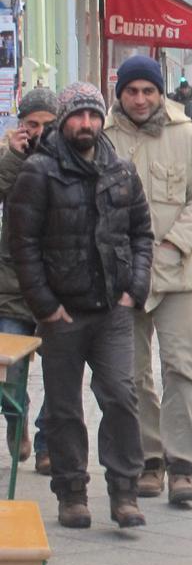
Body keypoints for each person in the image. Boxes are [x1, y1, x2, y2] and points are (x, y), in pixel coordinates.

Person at [9, 82, 154, 529]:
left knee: (120, 398)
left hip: (111, 308)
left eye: (93, 115)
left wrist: (134, 288)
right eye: (78, 116)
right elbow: (22, 244)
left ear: (101, 119)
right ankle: (72, 493)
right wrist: (46, 306)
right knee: (64, 407)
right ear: (65, 120)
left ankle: (124, 492)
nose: (86, 124)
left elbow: (141, 234)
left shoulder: (121, 170)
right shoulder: (40, 171)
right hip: (62, 314)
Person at [105, 55, 192, 505]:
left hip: (176, 276)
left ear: (160, 93)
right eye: (132, 91)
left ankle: (183, 467)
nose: (139, 99)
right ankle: (148, 461)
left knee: (181, 368)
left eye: (147, 91)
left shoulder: (188, 136)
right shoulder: (104, 137)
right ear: (120, 94)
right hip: (121, 278)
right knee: (131, 374)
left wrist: (173, 244)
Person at [0, 87, 58, 472]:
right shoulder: (9, 157)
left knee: (59, 373)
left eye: (46, 125)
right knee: (9, 370)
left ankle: (46, 443)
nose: (38, 131)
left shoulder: (68, 155)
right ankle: (16, 419)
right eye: (31, 124)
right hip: (12, 281)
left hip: (57, 284)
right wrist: (14, 157)